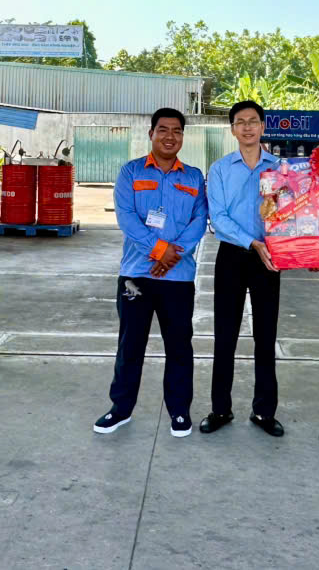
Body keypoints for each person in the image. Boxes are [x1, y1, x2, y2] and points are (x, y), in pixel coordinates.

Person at [95, 108, 208, 438]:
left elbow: (199, 220)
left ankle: (179, 411)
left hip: (178, 277)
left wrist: (174, 254)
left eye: (177, 131)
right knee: (130, 346)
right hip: (136, 275)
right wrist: (160, 251)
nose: (170, 136)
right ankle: (120, 409)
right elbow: (127, 218)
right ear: (151, 134)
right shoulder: (130, 172)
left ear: (182, 137)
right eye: (163, 130)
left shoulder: (193, 177)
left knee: (179, 346)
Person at [201, 100, 284, 438]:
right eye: (240, 122)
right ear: (233, 129)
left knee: (266, 336)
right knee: (225, 335)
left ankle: (264, 411)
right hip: (233, 256)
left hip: (270, 258)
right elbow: (218, 218)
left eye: (253, 121)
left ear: (263, 127)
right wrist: (252, 242)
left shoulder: (281, 168)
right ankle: (220, 409)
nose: (247, 127)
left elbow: (293, 213)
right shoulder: (220, 169)